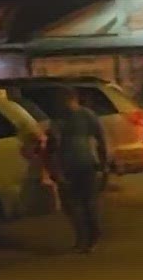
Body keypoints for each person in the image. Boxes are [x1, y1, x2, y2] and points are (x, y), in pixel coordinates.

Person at [46, 87, 109, 251]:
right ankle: (83, 238)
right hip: (68, 167)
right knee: (72, 206)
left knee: (87, 203)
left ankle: (92, 236)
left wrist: (104, 164)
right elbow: (52, 148)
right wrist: (57, 172)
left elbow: (101, 139)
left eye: (65, 99)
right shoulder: (58, 119)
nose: (62, 104)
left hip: (85, 164)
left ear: (73, 98)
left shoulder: (85, 116)